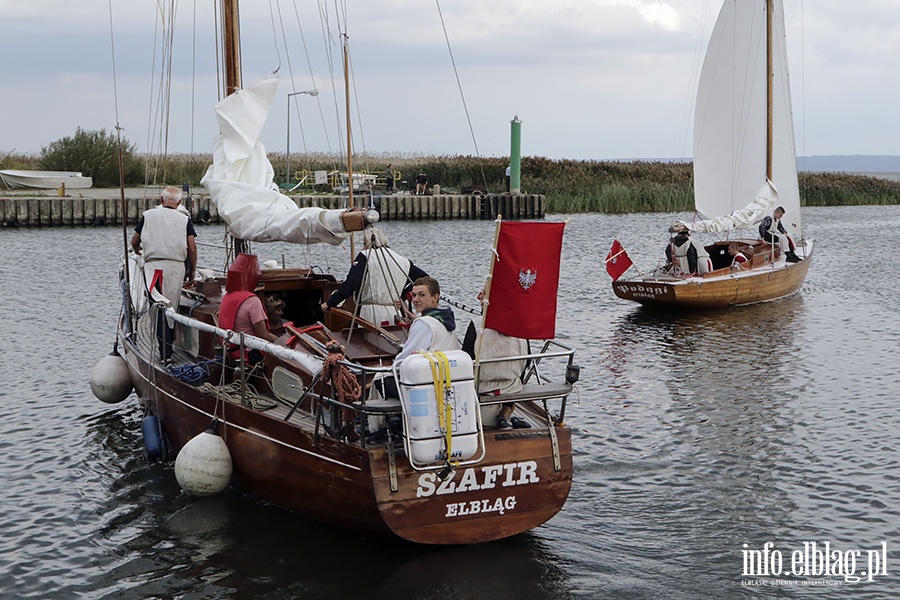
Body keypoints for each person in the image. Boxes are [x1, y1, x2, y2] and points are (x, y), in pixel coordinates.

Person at [131, 186, 198, 362]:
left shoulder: (148, 215)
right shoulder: (184, 220)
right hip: (175, 268)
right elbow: (191, 247)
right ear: (180, 202)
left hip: (154, 268)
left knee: (158, 306)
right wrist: (193, 269)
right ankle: (169, 345)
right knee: (171, 307)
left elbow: (134, 240)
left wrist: (137, 249)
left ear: (162, 200)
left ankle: (165, 353)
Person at [321, 228, 428, 326]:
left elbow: (350, 284)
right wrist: (402, 296)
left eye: (364, 244)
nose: (363, 247)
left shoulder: (365, 256)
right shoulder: (403, 261)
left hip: (368, 313)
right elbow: (425, 279)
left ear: (370, 242)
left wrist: (329, 303)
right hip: (394, 313)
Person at [377, 276, 461, 399]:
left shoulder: (424, 323)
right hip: (448, 380)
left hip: (426, 383)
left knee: (380, 378)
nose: (415, 300)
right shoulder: (448, 320)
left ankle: (396, 416)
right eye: (414, 295)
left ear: (435, 297)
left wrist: (390, 368)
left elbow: (405, 359)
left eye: (421, 295)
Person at [462, 292, 530, 430]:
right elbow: (527, 362)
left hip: (482, 389)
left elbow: (466, 360)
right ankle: (505, 413)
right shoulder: (520, 325)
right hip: (512, 387)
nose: (479, 297)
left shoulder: (477, 325)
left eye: (483, 294)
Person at [218, 255, 280, 364]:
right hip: (249, 354)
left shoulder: (226, 297)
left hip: (231, 352)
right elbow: (263, 334)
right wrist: (285, 346)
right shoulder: (252, 301)